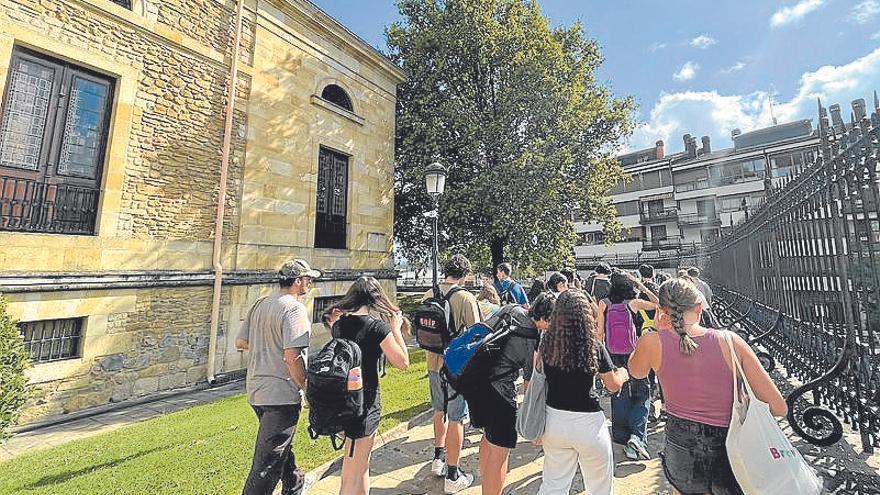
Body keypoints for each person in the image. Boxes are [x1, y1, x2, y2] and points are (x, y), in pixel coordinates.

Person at [628, 278, 787, 495]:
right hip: (730, 445)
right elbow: (779, 408)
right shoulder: (731, 342)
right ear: (699, 308)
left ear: (661, 310)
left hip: (681, 443)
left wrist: (658, 329)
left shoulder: (652, 342)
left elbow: (636, 371)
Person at [235, 259, 322, 495]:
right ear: (297, 282)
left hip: (256, 390)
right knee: (267, 464)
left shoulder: (261, 304)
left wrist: (269, 345)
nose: (310, 283)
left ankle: (294, 483)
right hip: (280, 394)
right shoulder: (294, 309)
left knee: (278, 444)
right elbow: (292, 356)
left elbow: (241, 342)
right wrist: (305, 387)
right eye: (308, 279)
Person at [323, 277, 410, 495]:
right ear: (375, 298)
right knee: (353, 473)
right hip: (365, 402)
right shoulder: (377, 328)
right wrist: (396, 329)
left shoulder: (340, 326)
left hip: (343, 400)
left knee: (359, 467)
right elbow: (403, 362)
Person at [538, 290, 630, 495]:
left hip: (554, 420)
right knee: (599, 488)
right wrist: (623, 374)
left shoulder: (546, 344)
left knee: (553, 485)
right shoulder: (594, 347)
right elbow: (613, 385)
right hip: (589, 424)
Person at [468, 292, 555, 495]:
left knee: (488, 439)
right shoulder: (531, 337)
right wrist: (530, 414)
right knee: (501, 451)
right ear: (545, 319)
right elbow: (529, 381)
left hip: (477, 382)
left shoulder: (511, 310)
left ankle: (486, 484)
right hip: (500, 392)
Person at [421, 254, 480, 493]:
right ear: (464, 275)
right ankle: (453, 474)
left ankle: (438, 459)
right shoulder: (465, 297)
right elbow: (477, 334)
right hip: (456, 367)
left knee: (438, 410)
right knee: (457, 417)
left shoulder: (428, 294)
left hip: (432, 363)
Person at [596, 271, 658, 460]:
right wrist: (640, 285)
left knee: (618, 392)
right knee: (641, 392)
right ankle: (637, 436)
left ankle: (621, 435)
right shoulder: (633, 303)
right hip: (633, 352)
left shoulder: (604, 303)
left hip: (612, 353)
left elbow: (599, 333)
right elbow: (659, 304)